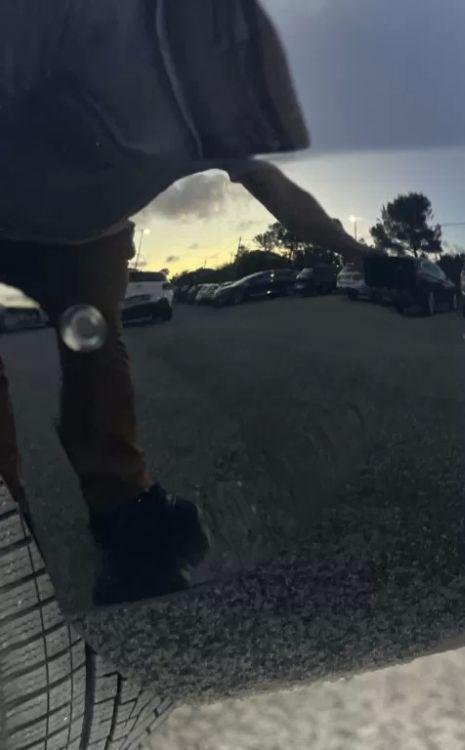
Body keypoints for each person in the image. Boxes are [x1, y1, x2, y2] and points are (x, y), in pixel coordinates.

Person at [0, 0, 365, 604]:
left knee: (98, 350)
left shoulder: (217, 102)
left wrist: (359, 253)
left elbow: (283, 197)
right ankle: (9, 528)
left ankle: (122, 505)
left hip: (89, 237)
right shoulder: (77, 19)